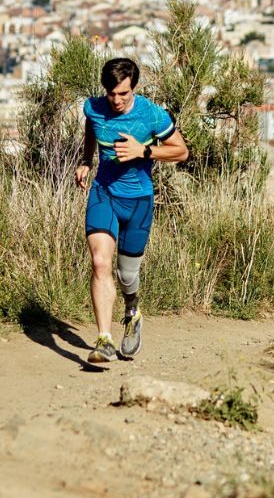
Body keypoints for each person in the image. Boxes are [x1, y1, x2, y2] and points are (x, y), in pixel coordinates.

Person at [75, 57, 188, 362]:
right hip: (104, 194)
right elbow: (92, 126)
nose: (117, 100)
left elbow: (181, 151)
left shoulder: (152, 115)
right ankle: (104, 339)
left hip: (139, 201)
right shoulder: (94, 108)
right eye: (111, 94)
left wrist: (145, 150)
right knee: (100, 262)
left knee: (127, 275)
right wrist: (87, 160)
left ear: (134, 88)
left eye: (123, 94)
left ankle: (133, 312)